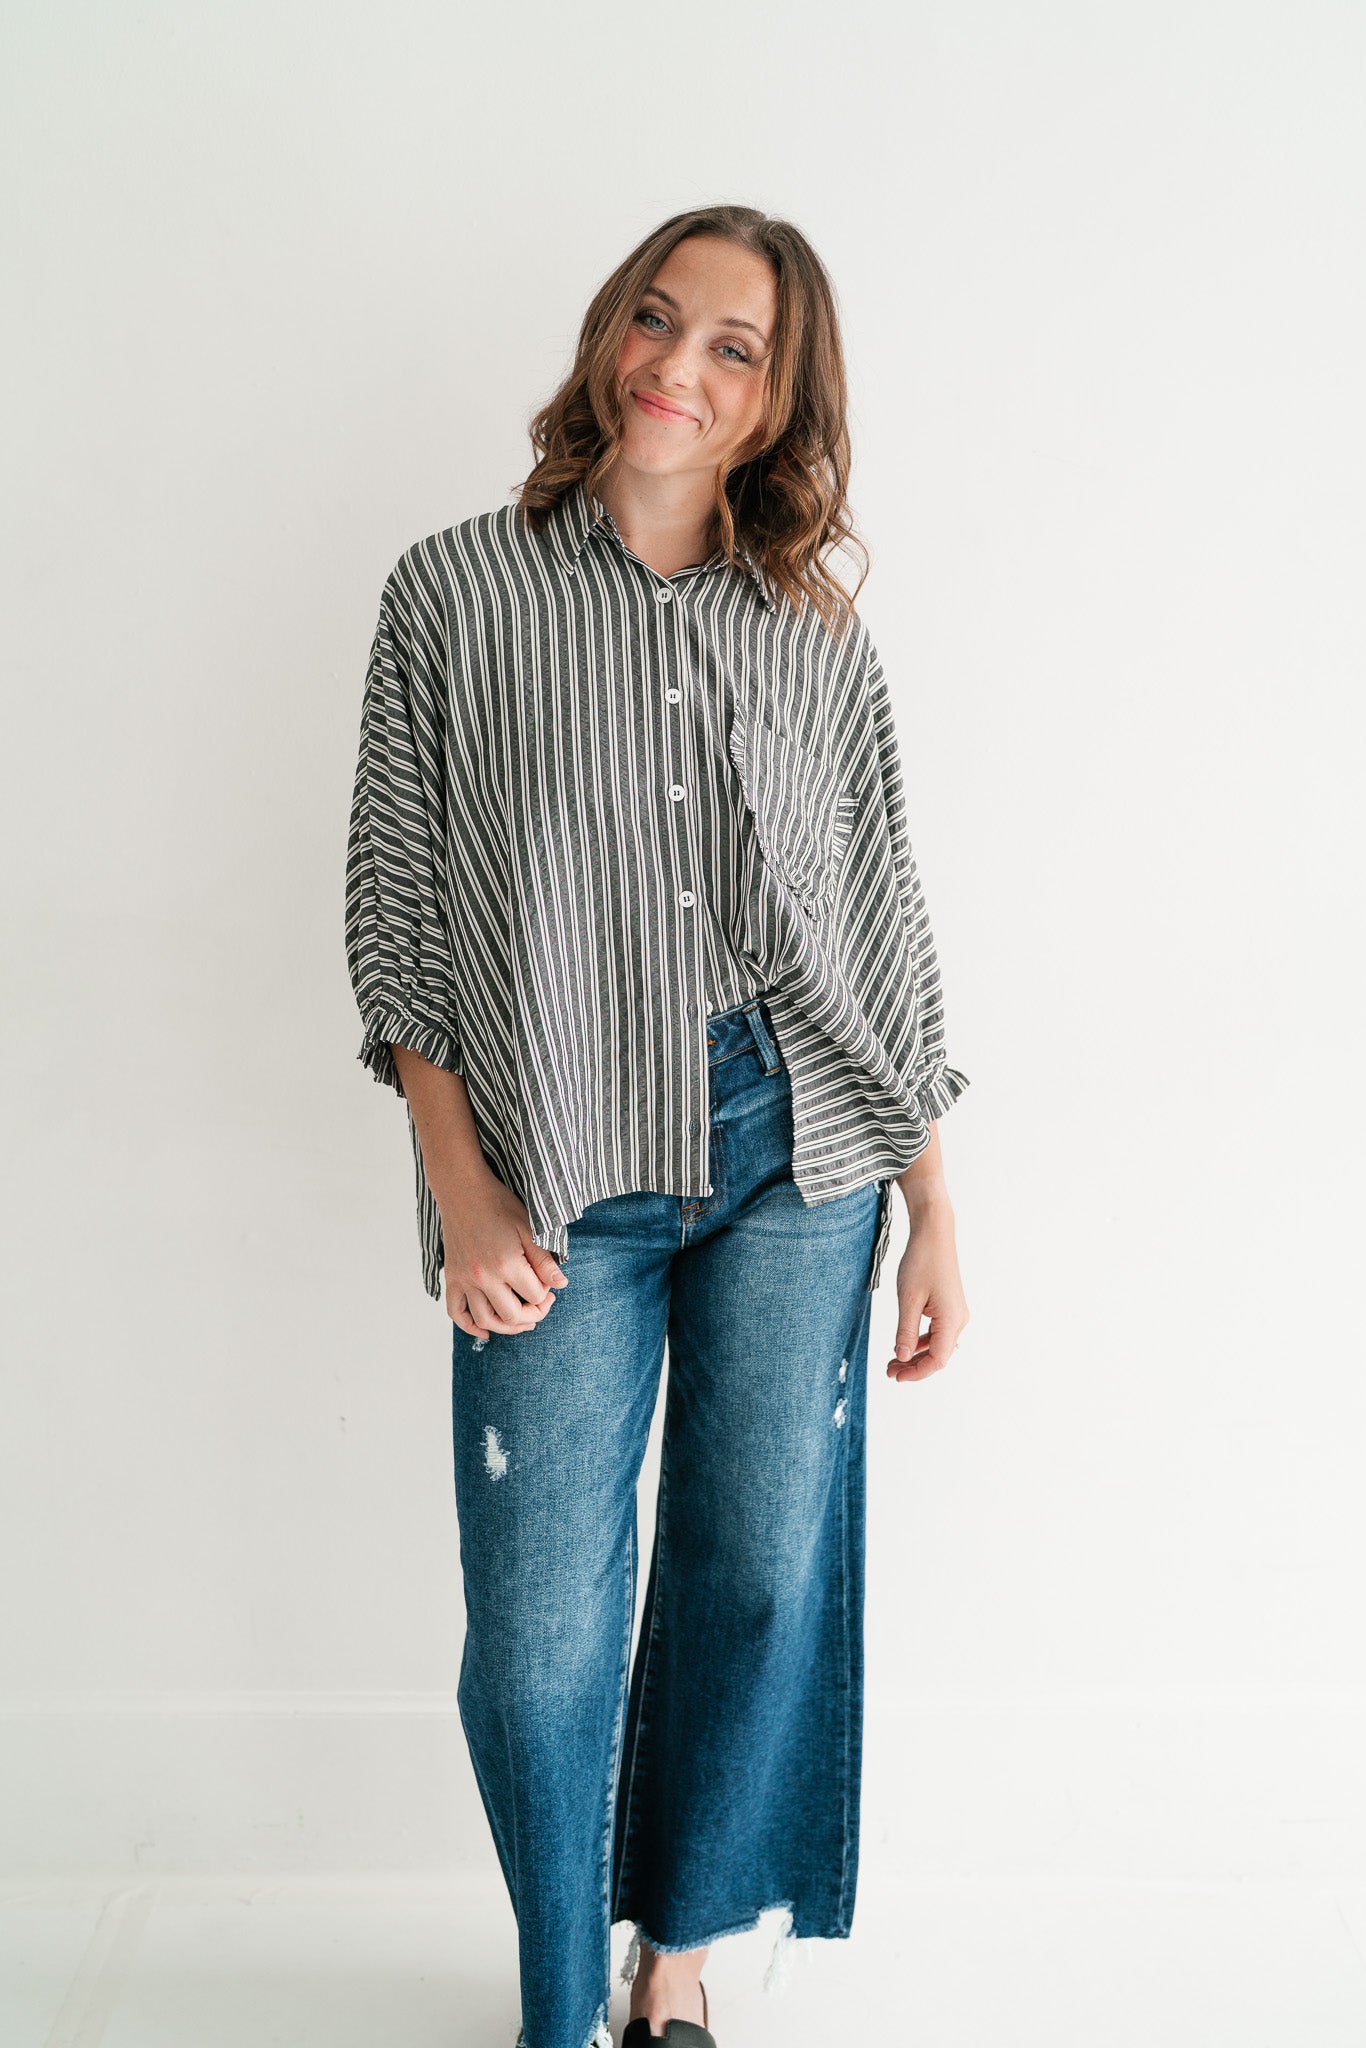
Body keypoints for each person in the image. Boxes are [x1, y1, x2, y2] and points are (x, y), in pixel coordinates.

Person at [345, 202, 971, 2048]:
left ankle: (673, 1963)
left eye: (731, 347)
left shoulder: (813, 633)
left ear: (777, 402)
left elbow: (880, 922)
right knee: (542, 1633)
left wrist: (933, 1204)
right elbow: (399, 912)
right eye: (655, 317)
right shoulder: (453, 592)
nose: (674, 366)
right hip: (556, 1161)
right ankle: (558, 2002)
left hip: (800, 1152)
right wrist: (459, 1189)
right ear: (607, 330)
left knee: (758, 1571)